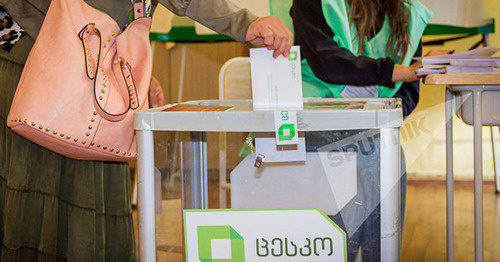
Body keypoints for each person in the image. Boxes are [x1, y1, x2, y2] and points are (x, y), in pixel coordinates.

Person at [0, 0, 292, 261]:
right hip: (45, 66)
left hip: (72, 65)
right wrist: (243, 21)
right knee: (51, 211)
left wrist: (119, 68)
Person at [290, 0, 448, 261]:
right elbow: (328, 63)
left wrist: (382, 114)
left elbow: (409, 93)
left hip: (376, 132)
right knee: (336, 235)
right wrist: (400, 72)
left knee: (382, 152)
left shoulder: (409, 14)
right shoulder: (314, 3)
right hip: (319, 123)